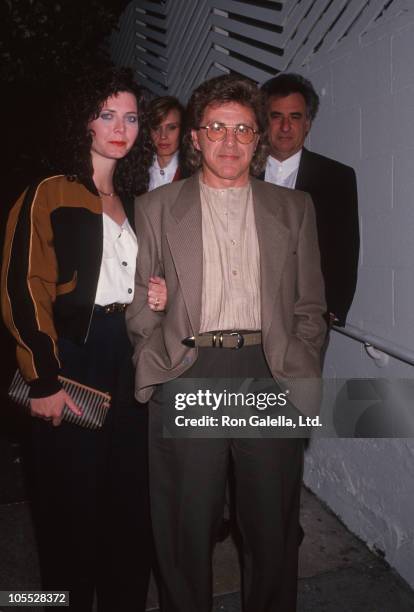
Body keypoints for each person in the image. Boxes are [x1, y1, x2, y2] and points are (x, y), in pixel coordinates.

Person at [126, 74, 326, 612]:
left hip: (267, 372)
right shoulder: (156, 208)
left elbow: (310, 307)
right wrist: (158, 360)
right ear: (195, 137)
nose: (230, 142)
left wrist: (298, 367)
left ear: (258, 138)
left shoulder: (294, 209)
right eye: (216, 127)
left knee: (272, 528)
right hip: (190, 370)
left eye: (243, 129)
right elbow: (141, 301)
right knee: (184, 530)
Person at [1, 67, 166, 611]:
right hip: (73, 355)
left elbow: (136, 280)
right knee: (69, 505)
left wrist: (155, 293)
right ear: (84, 122)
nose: (121, 127)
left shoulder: (137, 201)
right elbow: (23, 286)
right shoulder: (49, 192)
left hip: (129, 353)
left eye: (131, 117)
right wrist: (43, 378)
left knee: (128, 498)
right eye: (107, 114)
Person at [261, 72, 359, 327]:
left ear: (308, 123)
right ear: (263, 121)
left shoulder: (337, 177)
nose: (285, 127)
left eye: (295, 117)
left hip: (307, 318)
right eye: (276, 116)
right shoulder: (240, 174)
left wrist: (333, 309)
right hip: (246, 313)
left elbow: (345, 246)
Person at [148, 95, 186, 190]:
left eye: (171, 127)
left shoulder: (195, 173)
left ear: (183, 130)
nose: (163, 136)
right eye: (156, 128)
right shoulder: (133, 173)